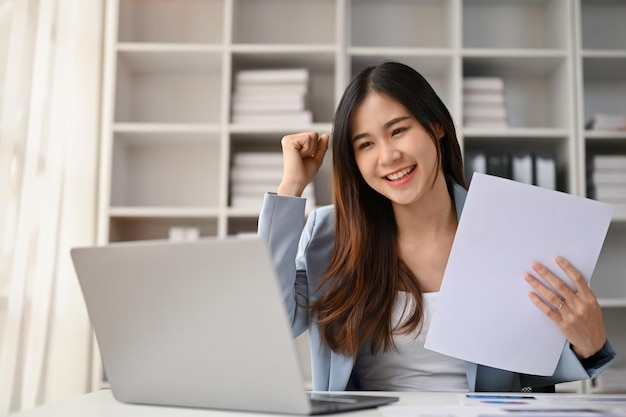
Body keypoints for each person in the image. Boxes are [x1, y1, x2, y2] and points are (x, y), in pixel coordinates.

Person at [257, 61, 616, 392]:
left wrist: (589, 345)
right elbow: (272, 322)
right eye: (366, 144)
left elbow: (529, 373)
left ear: (437, 126)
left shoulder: (509, 227)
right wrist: (291, 188)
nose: (388, 156)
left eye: (398, 130)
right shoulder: (332, 235)